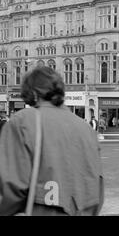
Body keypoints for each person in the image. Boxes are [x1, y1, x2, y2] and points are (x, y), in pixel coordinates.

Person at [0, 67, 104, 216]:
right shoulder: (86, 128)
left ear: (34, 93)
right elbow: (97, 187)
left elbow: (13, 187)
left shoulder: (23, 121)